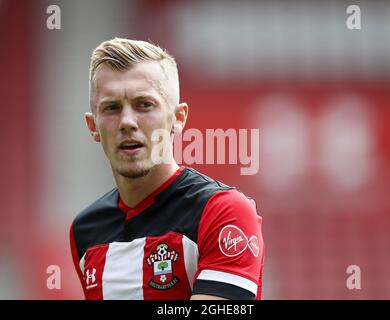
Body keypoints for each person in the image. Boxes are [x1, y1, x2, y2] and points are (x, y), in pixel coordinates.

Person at [70, 38, 264, 300]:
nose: (127, 122)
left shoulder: (222, 212)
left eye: (144, 105)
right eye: (112, 108)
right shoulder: (85, 230)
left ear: (178, 118)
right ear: (93, 126)